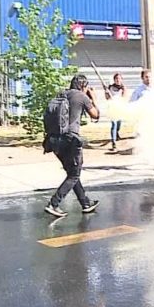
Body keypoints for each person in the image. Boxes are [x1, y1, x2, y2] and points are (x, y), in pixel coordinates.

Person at [43, 74, 101, 218]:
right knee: (74, 175)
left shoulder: (61, 94)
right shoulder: (82, 97)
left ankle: (85, 203)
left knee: (72, 173)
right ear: (83, 86)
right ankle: (53, 204)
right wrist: (94, 98)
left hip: (54, 140)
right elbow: (96, 115)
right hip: (71, 140)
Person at [104, 73, 127, 151]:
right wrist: (107, 92)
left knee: (118, 125)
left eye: (119, 79)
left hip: (119, 108)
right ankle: (113, 143)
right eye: (116, 79)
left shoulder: (123, 88)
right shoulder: (110, 87)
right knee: (114, 124)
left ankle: (116, 133)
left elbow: (124, 98)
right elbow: (107, 98)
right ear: (114, 80)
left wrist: (117, 101)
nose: (118, 80)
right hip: (112, 108)